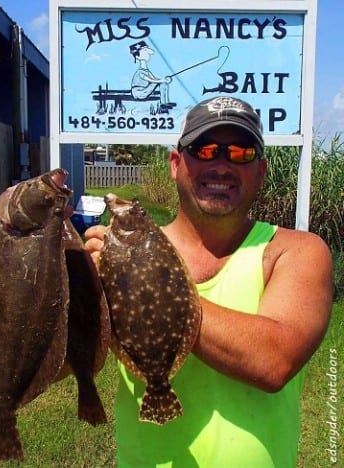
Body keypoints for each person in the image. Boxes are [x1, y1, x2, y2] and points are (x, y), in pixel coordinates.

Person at [85, 96, 333, 467]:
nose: (221, 165)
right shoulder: (118, 260)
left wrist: (144, 278)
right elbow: (72, 366)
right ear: (175, 163)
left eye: (240, 152)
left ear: (261, 171)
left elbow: (274, 361)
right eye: (203, 149)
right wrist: (77, 289)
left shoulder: (297, 252)